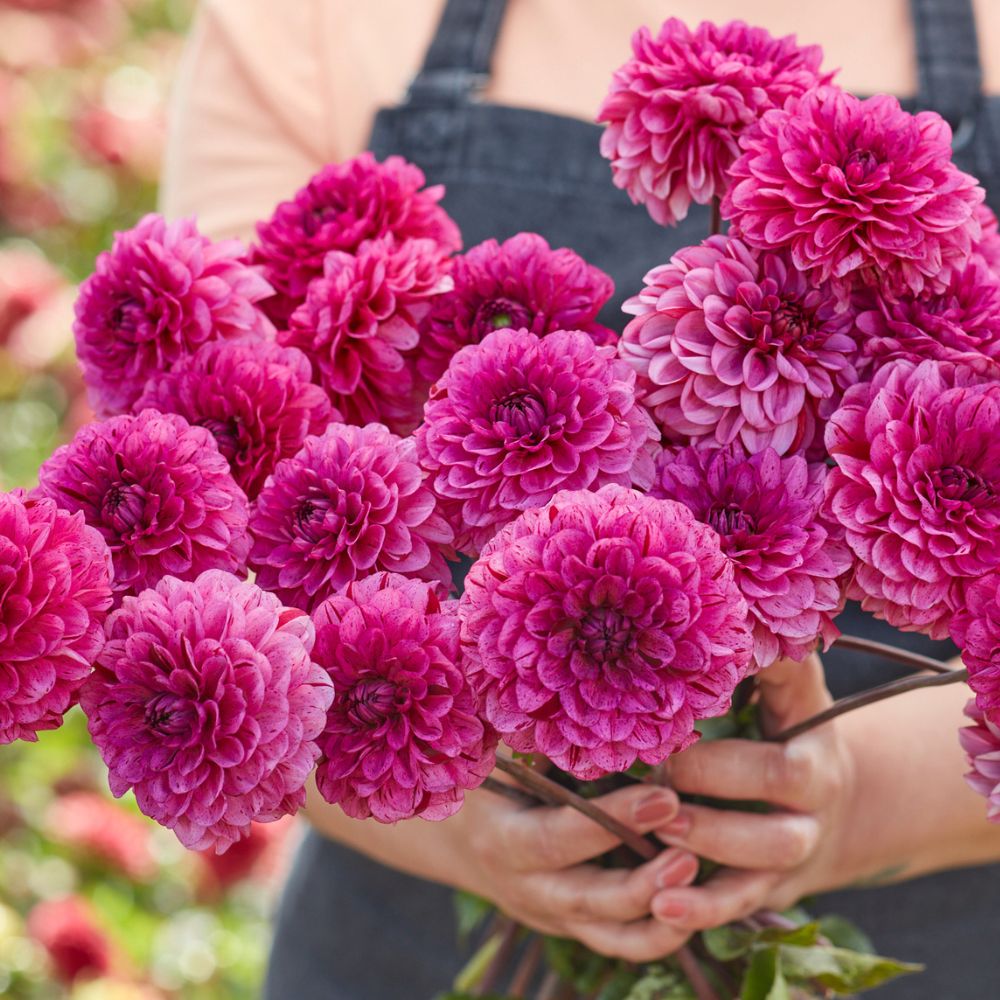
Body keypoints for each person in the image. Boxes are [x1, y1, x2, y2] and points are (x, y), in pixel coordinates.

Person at [161, 2, 1000, 996]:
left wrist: (861, 798)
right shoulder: (306, 20)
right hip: (402, 932)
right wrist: (449, 802)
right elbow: (186, 530)